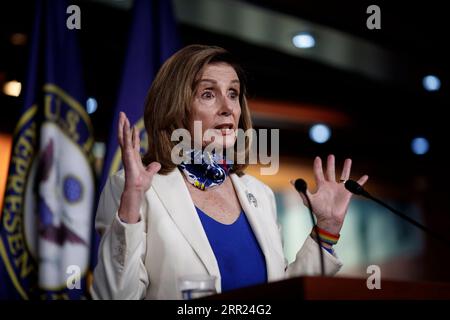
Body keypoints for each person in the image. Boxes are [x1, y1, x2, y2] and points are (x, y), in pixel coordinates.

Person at [91, 44, 368, 300]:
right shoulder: (136, 190)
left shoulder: (259, 194)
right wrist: (130, 205)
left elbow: (279, 293)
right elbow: (114, 296)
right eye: (208, 94)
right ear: (176, 107)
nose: (227, 108)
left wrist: (326, 231)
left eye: (233, 94)